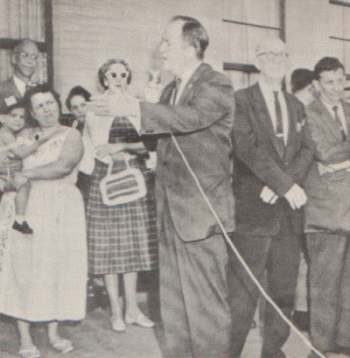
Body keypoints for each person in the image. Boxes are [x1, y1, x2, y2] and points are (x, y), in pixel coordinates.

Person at [89, 16, 235, 358]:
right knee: (174, 309)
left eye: (167, 43)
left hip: (201, 215)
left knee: (205, 311)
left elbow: (190, 118)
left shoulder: (216, 83)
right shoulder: (171, 89)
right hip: (168, 212)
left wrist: (136, 107)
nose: (161, 50)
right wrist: (125, 126)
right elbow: (158, 142)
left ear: (190, 46)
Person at [231, 37, 315, 358]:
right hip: (253, 211)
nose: (277, 60)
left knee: (283, 293)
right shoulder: (241, 100)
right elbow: (247, 148)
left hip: (287, 215)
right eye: (270, 54)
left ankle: (273, 352)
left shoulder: (296, 105)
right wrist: (281, 184)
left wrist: (282, 184)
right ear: (258, 60)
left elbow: (306, 150)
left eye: (283, 54)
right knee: (243, 294)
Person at [0, 84, 87, 358]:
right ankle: (25, 337)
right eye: (39, 106)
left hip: (61, 206)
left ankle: (53, 332)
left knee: (58, 269)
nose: (47, 109)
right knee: (23, 268)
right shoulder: (23, 135)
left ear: (58, 104)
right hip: (27, 205)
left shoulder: (71, 134)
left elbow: (62, 166)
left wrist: (27, 174)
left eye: (50, 102)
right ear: (32, 113)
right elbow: (10, 162)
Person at [85, 58, 158, 333]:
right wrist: (114, 151)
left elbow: (150, 141)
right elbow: (95, 145)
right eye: (112, 74)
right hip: (105, 179)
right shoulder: (94, 106)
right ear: (104, 78)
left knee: (134, 245)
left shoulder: (137, 105)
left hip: (135, 177)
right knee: (109, 247)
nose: (118, 79)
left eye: (123, 75)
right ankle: (116, 311)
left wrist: (123, 147)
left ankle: (132, 309)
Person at [303, 57, 350, 358]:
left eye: (341, 80)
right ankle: (320, 346)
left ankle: (345, 341)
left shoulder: (349, 108)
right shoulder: (308, 113)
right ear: (316, 85)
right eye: (329, 82)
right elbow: (326, 153)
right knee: (324, 281)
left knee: (349, 281)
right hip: (324, 212)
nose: (336, 88)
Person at [290, 68, 318, 332]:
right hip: (297, 192)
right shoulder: (299, 111)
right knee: (304, 255)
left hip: (302, 191)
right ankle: (302, 311)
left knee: (303, 255)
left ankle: (301, 310)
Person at [0, 101, 50, 234]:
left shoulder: (12, 135)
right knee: (23, 184)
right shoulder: (5, 134)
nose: (18, 120)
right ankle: (20, 219)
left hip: (8, 174)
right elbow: (22, 153)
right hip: (4, 177)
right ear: (2, 118)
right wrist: (38, 143)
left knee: (24, 184)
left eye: (22, 117)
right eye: (14, 115)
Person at [64, 85, 92, 204]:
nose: (80, 110)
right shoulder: (73, 129)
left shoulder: (99, 124)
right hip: (82, 177)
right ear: (71, 111)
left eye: (83, 105)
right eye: (75, 108)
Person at [0, 39, 39, 111]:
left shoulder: (40, 90)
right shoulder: (2, 89)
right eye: (25, 56)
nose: (30, 61)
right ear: (14, 59)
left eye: (35, 57)